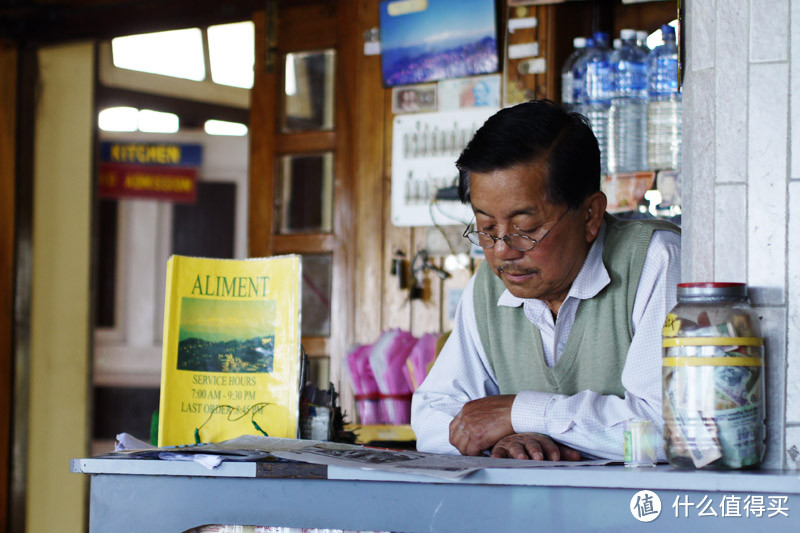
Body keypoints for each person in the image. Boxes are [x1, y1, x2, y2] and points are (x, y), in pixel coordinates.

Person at [410, 100, 680, 461]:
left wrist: (519, 413)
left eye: (526, 228)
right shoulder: (489, 288)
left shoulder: (654, 260)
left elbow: (671, 429)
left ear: (590, 215)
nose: (503, 251)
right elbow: (432, 416)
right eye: (487, 228)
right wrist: (504, 442)